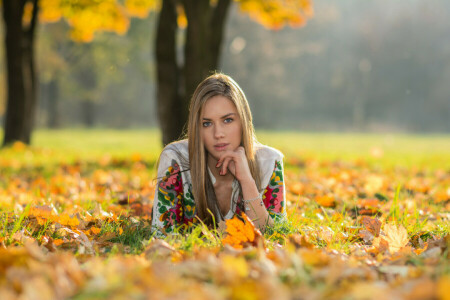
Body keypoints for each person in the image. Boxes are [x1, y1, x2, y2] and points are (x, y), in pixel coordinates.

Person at [151, 73, 286, 236]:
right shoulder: (176, 159)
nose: (218, 133)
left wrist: (247, 180)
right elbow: (162, 235)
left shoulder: (269, 162)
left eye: (227, 120)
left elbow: (274, 236)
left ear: (243, 121)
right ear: (197, 128)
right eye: (207, 124)